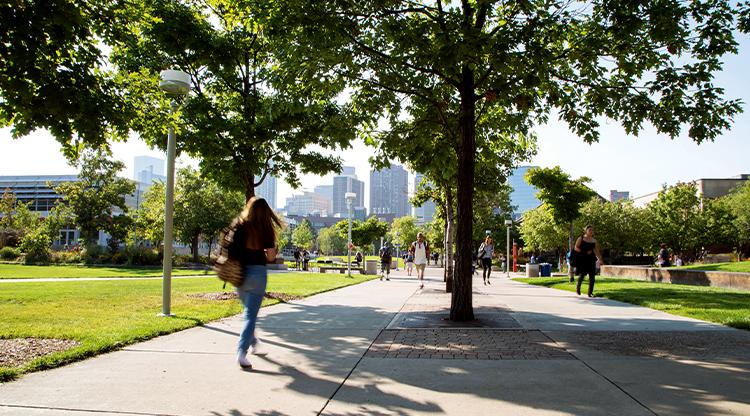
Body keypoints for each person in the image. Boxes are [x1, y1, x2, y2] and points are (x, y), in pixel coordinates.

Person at [229, 197, 282, 369]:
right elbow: (271, 257)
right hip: (258, 274)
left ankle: (253, 342)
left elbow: (230, 249)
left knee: (248, 313)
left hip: (240, 274)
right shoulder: (266, 229)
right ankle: (241, 352)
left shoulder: (239, 225)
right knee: (250, 316)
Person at [574, 225, 605, 297]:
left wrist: (600, 259)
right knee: (582, 275)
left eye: (592, 230)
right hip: (583, 259)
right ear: (586, 231)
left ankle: (590, 292)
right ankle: (578, 288)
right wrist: (583, 252)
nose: (591, 231)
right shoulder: (581, 238)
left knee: (592, 277)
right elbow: (576, 247)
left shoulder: (594, 241)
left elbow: (596, 251)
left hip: (591, 260)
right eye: (590, 230)